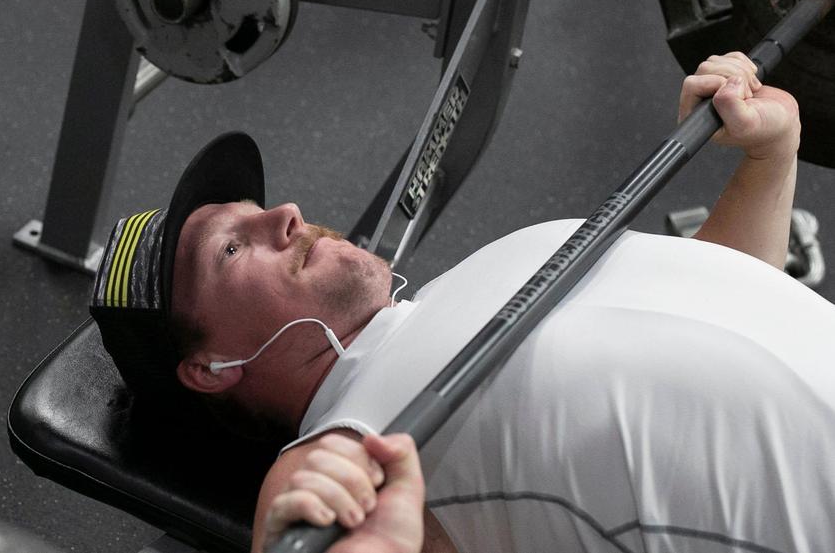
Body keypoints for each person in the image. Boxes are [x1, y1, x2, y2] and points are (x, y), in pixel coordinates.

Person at [88, 52, 835, 553]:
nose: (282, 212)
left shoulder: (470, 279)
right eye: (231, 247)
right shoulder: (341, 456)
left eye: (252, 205)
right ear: (212, 365)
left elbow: (719, 300)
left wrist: (773, 153)